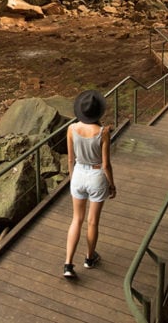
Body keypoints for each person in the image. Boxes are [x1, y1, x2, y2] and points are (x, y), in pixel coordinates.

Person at [63, 89, 116, 279]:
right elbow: (106, 164)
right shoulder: (102, 133)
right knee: (92, 221)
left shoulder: (71, 129)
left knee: (76, 219)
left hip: (78, 173)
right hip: (96, 175)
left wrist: (72, 179)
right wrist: (112, 185)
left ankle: (68, 264)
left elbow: (70, 159)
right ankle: (89, 258)